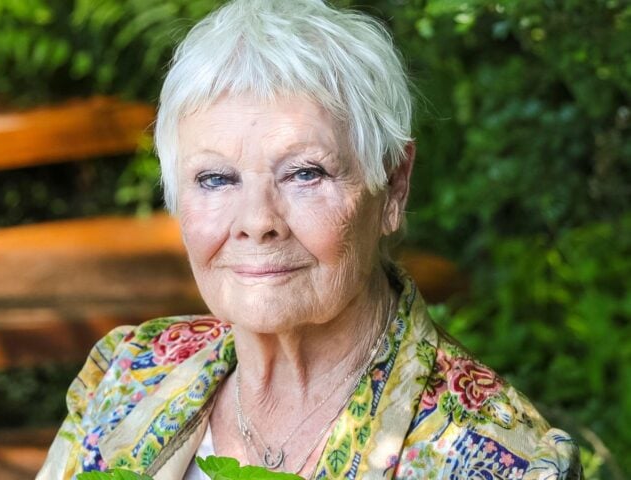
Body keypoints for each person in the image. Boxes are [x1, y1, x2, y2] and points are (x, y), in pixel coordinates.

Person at [37, 0, 582, 478]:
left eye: (304, 173)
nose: (257, 221)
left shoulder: (499, 463)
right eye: (215, 178)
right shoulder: (127, 376)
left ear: (393, 183)